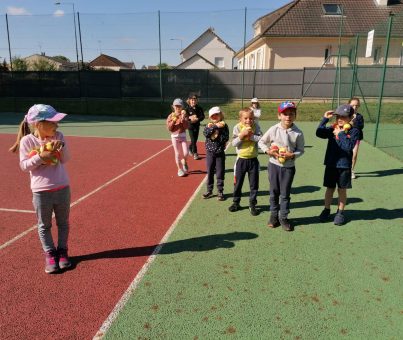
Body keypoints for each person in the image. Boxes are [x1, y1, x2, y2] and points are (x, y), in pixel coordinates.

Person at [9, 104, 71, 273]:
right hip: (41, 191)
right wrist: (40, 156)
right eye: (52, 122)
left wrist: (61, 147)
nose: (56, 126)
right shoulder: (27, 141)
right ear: (38, 124)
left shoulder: (59, 135)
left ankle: (63, 251)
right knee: (44, 225)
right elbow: (24, 166)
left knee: (63, 223)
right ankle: (50, 254)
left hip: (62, 187)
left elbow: (65, 160)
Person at [258, 101, 305, 231]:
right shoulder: (274, 129)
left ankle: (283, 217)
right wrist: (268, 151)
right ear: (279, 116)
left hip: (288, 167)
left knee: (285, 194)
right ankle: (273, 215)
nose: (288, 117)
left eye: (291, 114)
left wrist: (292, 155)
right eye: (285, 114)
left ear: (295, 116)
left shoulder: (298, 133)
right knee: (274, 192)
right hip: (274, 166)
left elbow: (301, 150)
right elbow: (262, 141)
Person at [316, 104, 360, 226]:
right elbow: (319, 133)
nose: (340, 119)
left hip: (344, 166)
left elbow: (348, 147)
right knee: (329, 188)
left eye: (344, 117)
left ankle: (340, 212)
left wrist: (340, 134)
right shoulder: (332, 128)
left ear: (351, 118)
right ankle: (326, 209)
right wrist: (325, 119)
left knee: (341, 190)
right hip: (331, 164)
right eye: (338, 116)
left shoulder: (354, 131)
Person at [229, 108, 262, 216]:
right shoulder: (237, 127)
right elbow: (233, 143)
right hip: (241, 160)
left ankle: (252, 204)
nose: (249, 121)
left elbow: (261, 139)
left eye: (251, 118)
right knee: (238, 183)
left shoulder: (256, 126)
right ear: (240, 119)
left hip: (253, 160)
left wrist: (252, 136)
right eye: (246, 118)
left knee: (254, 185)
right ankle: (236, 202)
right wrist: (241, 136)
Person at [202, 106, 229, 201]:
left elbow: (225, 138)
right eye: (212, 115)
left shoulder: (224, 126)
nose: (215, 117)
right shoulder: (209, 125)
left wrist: (219, 133)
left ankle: (220, 191)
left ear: (220, 115)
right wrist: (215, 126)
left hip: (220, 153)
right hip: (210, 153)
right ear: (210, 117)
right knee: (210, 172)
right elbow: (206, 134)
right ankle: (209, 190)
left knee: (220, 173)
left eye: (216, 114)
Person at [166, 98, 190, 177]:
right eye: (176, 106)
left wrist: (183, 119)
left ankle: (184, 162)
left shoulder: (184, 115)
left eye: (179, 106)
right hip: (174, 137)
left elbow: (186, 127)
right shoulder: (170, 116)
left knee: (186, 153)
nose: (177, 108)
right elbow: (169, 128)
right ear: (173, 107)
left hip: (182, 136)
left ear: (182, 107)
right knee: (177, 153)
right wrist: (173, 120)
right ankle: (179, 169)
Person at [348, 97, 364, 179]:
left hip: (356, 138)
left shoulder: (360, 117)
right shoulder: (345, 115)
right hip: (346, 138)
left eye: (357, 106)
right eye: (353, 105)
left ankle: (351, 170)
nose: (354, 107)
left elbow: (361, 126)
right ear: (349, 105)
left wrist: (353, 122)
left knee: (354, 155)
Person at [186, 94, 205, 160]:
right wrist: (190, 118)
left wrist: (197, 119)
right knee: (193, 140)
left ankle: (190, 148)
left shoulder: (199, 108)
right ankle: (195, 153)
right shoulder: (187, 109)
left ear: (197, 101)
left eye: (195, 100)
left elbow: (202, 116)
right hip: (190, 126)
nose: (193, 101)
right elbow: (186, 117)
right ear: (189, 101)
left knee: (194, 140)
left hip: (197, 126)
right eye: (192, 100)